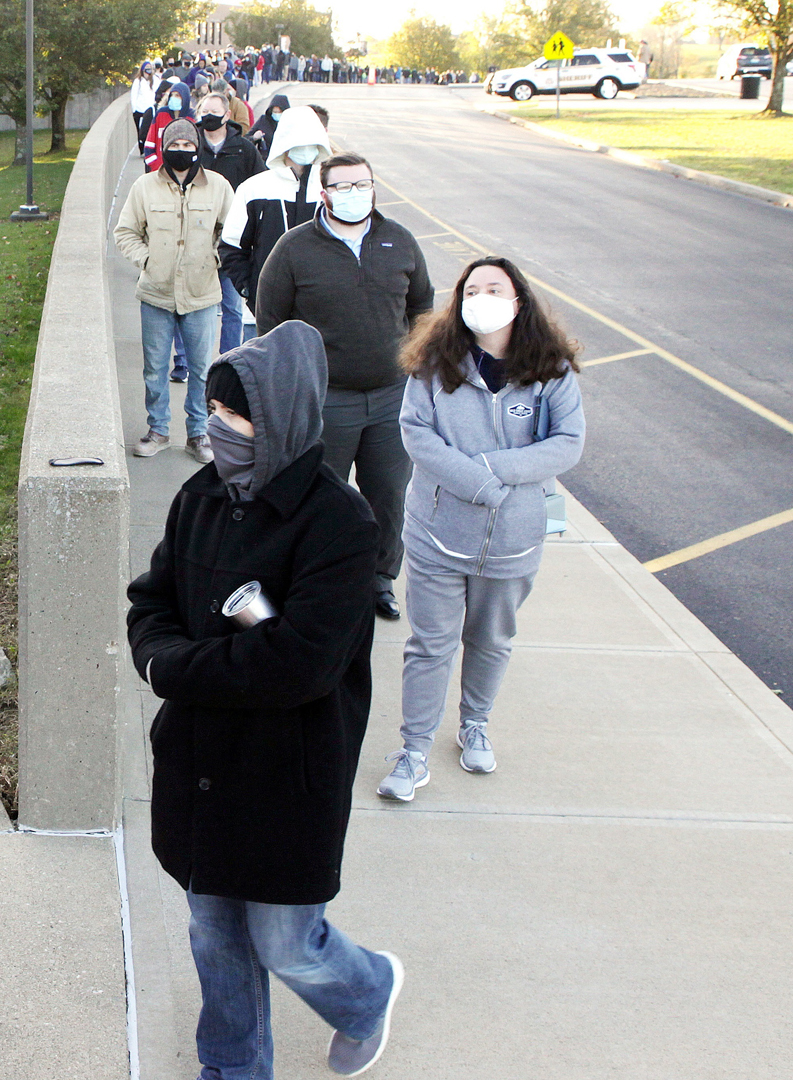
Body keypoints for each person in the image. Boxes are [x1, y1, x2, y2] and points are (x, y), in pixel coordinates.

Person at [127, 322, 406, 1080]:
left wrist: (176, 669)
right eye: (211, 412)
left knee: (286, 941)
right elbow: (150, 601)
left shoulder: (340, 524)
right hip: (200, 764)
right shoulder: (200, 497)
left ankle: (367, 990)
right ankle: (232, 1067)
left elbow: (299, 666)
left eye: (237, 416)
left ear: (282, 418)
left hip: (290, 773)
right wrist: (160, 657)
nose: (219, 429)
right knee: (214, 937)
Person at [378, 257, 584, 801]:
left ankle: (475, 725)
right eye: (472, 289)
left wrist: (498, 472)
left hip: (515, 539)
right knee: (430, 645)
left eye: (495, 288)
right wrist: (479, 484)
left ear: (518, 301)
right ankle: (414, 749)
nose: (482, 297)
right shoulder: (431, 363)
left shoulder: (550, 369)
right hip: (437, 533)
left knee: (491, 639)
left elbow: (567, 443)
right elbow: (416, 434)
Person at [255, 152, 435, 621]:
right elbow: (271, 324)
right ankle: (314, 578)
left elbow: (422, 307)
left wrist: (419, 366)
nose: (356, 194)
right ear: (324, 193)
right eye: (344, 186)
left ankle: (379, 579)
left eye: (364, 185)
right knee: (320, 495)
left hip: (391, 398)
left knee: (388, 496)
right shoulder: (294, 249)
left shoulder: (400, 240)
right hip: (325, 399)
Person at [112, 120, 234, 462]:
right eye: (174, 146)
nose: (181, 152)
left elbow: (234, 232)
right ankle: (158, 430)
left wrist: (215, 257)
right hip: (156, 293)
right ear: (165, 149)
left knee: (200, 368)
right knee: (154, 366)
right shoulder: (144, 187)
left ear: (197, 147)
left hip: (201, 294)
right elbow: (125, 232)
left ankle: (199, 433)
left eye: (187, 146)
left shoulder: (220, 187)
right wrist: (146, 259)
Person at [219, 104, 328, 315]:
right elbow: (231, 247)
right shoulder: (254, 188)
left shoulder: (331, 188)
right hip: (265, 311)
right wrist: (250, 289)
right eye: (299, 141)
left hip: (324, 313)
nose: (305, 148)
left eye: (311, 142)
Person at [194, 92, 264, 361]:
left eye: (214, 112)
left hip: (233, 240)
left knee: (232, 306)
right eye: (204, 112)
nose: (208, 117)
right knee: (197, 307)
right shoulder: (192, 147)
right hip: (197, 238)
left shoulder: (244, 149)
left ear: (227, 116)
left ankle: (229, 359)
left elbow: (259, 185)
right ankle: (190, 360)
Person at [131, 61, 158, 148]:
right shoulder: (138, 81)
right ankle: (141, 147)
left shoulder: (155, 80)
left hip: (150, 110)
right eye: (147, 67)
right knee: (140, 131)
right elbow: (133, 96)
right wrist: (134, 109)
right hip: (139, 110)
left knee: (149, 130)